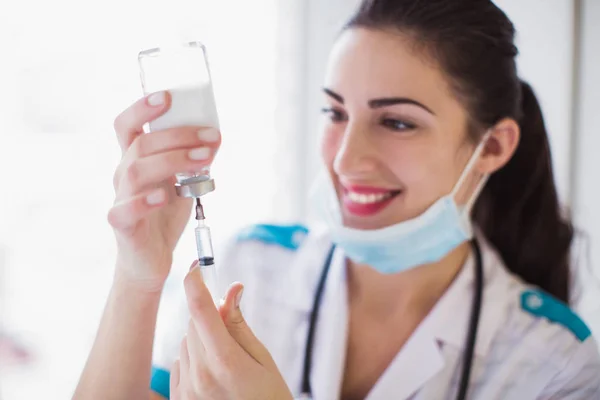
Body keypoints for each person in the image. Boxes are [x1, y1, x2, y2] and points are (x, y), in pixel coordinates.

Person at [74, 0, 600, 399]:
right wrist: (138, 274)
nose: (347, 161)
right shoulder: (251, 268)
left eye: (397, 122)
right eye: (335, 113)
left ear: (493, 146)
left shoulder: (557, 365)